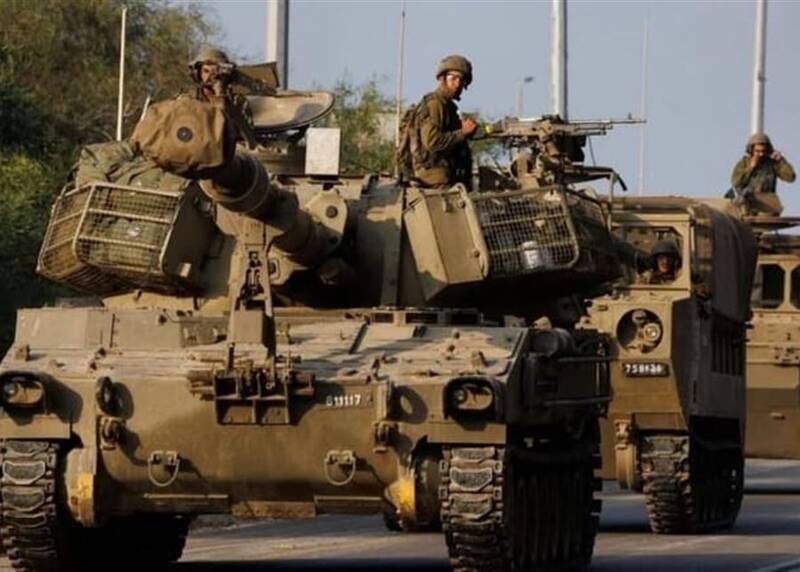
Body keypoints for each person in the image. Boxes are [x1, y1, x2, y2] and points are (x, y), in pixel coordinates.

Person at [409, 54, 479, 188]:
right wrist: (462, 132)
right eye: (453, 78)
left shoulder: (448, 106)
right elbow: (432, 141)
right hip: (435, 180)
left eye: (461, 80)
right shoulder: (435, 103)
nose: (457, 84)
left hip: (447, 176)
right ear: (443, 78)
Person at [188, 47, 255, 147]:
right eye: (206, 71)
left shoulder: (238, 102)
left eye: (217, 72)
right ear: (198, 73)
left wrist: (223, 100)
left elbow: (249, 140)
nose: (212, 76)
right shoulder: (189, 100)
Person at [729, 133, 796, 215]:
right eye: (757, 151)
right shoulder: (743, 163)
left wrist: (781, 161)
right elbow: (736, 182)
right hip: (747, 205)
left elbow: (790, 177)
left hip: (766, 205)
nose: (761, 154)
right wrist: (750, 168)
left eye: (763, 151)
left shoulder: (772, 163)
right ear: (751, 150)